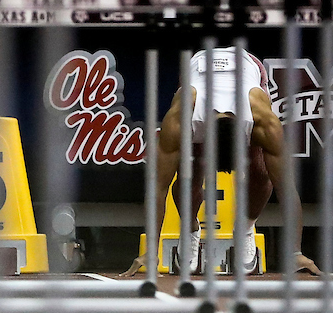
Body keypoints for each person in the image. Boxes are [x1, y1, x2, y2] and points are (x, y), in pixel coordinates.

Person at [121, 45, 320, 277]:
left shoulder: (263, 120)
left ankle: (244, 231)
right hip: (198, 68)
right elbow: (158, 187)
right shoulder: (182, 115)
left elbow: (286, 188)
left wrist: (296, 252)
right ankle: (190, 230)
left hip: (247, 65)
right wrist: (150, 251)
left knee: (262, 172)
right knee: (190, 173)